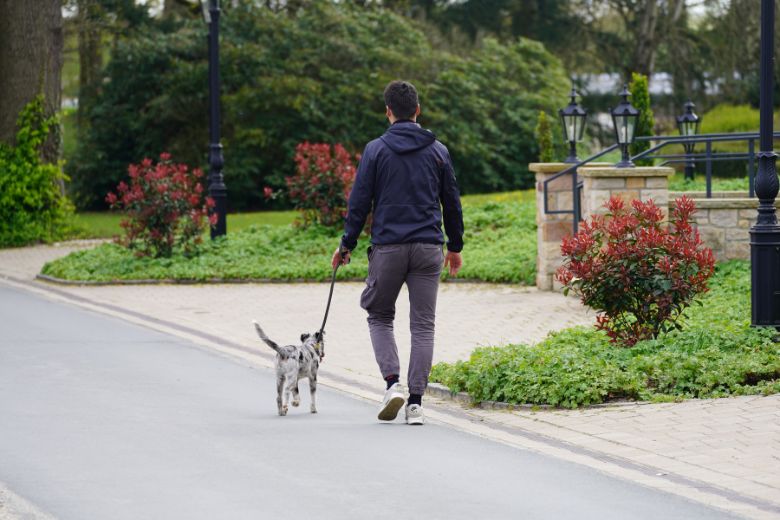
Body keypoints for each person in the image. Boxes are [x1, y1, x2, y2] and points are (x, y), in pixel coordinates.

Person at [331, 80, 464, 425]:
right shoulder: (438, 150)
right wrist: (455, 247)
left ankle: (393, 385)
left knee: (379, 315)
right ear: (417, 110)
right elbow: (452, 202)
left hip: (388, 247)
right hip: (428, 248)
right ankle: (416, 404)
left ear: (388, 112)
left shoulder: (375, 150)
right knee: (423, 325)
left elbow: (359, 203)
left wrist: (347, 244)